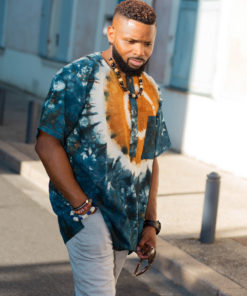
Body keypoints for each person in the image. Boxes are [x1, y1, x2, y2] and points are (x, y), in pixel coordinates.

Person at [35, 0, 171, 295]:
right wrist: (83, 208)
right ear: (111, 33)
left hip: (127, 223)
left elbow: (150, 160)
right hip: (88, 217)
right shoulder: (77, 76)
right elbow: (47, 144)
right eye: (130, 41)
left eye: (147, 43)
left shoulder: (150, 90)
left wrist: (150, 222)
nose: (140, 51)